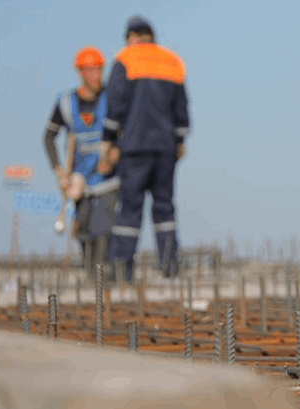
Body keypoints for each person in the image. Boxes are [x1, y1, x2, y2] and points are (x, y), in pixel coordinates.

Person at [100, 16, 190, 281]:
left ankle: (121, 269)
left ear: (132, 37)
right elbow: (182, 109)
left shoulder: (126, 59)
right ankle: (169, 266)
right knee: (164, 207)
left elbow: (114, 103)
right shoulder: (172, 60)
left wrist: (107, 140)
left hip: (134, 147)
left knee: (129, 208)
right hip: (165, 148)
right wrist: (181, 141)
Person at [43, 46, 119, 275]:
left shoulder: (112, 98)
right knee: (84, 228)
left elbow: (126, 131)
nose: (96, 76)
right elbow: (48, 137)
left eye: (99, 70)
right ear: (80, 73)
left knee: (103, 227)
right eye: (90, 71)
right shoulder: (65, 103)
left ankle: (104, 277)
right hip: (79, 179)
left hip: (108, 176)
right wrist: (58, 170)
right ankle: (90, 275)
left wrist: (115, 154)